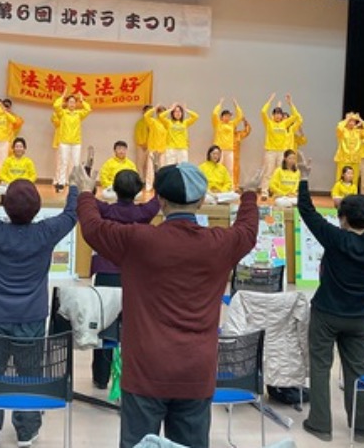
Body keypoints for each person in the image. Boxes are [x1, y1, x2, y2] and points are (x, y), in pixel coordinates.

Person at [73, 162, 260, 448]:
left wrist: (86, 192)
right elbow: (247, 230)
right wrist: (248, 193)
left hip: (145, 370)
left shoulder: (138, 239)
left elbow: (92, 228)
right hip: (196, 370)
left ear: (159, 200)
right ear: (200, 201)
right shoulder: (220, 243)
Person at [0, 174, 78, 448]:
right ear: (37, 207)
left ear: (4, 206)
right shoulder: (45, 233)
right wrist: (75, 188)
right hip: (32, 318)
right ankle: (26, 430)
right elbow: (72, 215)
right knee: (29, 373)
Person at [298, 154, 364, 443]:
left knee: (320, 365)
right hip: (358, 317)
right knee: (357, 370)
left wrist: (304, 177)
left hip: (326, 312)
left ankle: (320, 424)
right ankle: (361, 428)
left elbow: (307, 210)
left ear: (342, 218)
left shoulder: (335, 237)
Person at [90, 169, 161, 390]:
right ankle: (131, 375)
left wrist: (88, 185)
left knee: (104, 324)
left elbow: (86, 203)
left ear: (114, 189)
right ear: (139, 190)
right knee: (133, 326)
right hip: (135, 274)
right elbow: (159, 198)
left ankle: (101, 378)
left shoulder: (104, 210)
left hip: (105, 273)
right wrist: (157, 174)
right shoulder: (144, 213)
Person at [259, 92, 301, 200]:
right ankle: (264, 192)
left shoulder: (285, 123)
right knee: (268, 171)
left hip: (282, 152)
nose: (278, 115)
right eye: (276, 114)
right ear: (273, 115)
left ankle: (276, 192)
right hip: (271, 151)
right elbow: (263, 111)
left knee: (280, 172)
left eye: (279, 114)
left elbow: (296, 116)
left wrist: (290, 103)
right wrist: (270, 100)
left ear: (282, 116)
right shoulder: (269, 123)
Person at [53, 89, 92, 192]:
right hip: (64, 142)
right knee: (63, 162)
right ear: (67, 103)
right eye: (70, 102)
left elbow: (88, 109)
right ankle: (61, 183)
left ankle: (74, 183)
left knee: (76, 163)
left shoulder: (79, 114)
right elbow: (56, 106)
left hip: (76, 143)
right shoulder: (63, 113)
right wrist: (63, 96)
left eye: (74, 102)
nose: (72, 104)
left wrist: (82, 100)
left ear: (76, 104)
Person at [212, 97, 244, 181]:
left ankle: (230, 188)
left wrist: (236, 105)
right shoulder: (218, 123)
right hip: (220, 150)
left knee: (230, 169)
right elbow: (214, 113)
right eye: (226, 116)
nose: (228, 117)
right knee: (218, 168)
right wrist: (220, 104)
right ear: (222, 117)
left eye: (229, 116)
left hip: (229, 150)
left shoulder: (232, 124)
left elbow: (240, 116)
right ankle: (217, 185)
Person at [334, 112, 364, 188]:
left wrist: (360, 119)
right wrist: (347, 118)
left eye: (353, 121)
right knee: (340, 178)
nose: (351, 123)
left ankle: (352, 197)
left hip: (355, 159)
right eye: (350, 121)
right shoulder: (342, 131)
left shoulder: (358, 132)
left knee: (354, 179)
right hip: (343, 158)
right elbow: (339, 127)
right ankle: (340, 195)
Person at [0, 97, 20, 183]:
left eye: (1, 105)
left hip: (5, 142)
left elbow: (15, 121)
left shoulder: (7, 115)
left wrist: (5, 111)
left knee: (3, 162)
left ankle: (4, 179)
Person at [143, 105, 167, 192]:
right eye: (160, 112)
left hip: (163, 150)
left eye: (164, 112)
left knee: (163, 169)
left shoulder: (167, 124)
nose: (162, 114)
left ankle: (162, 186)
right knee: (150, 169)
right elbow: (146, 116)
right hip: (152, 149)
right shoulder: (153, 121)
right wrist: (154, 108)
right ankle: (149, 186)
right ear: (157, 113)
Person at [232, 117, 252, 185]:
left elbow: (247, 131)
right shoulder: (223, 133)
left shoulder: (238, 135)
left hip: (235, 158)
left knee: (236, 171)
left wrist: (245, 122)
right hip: (225, 156)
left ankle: (235, 186)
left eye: (235, 126)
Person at [134, 105, 151, 176]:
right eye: (147, 111)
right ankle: (141, 180)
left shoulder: (153, 123)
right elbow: (137, 135)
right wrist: (142, 144)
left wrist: (149, 144)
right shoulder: (139, 123)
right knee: (140, 164)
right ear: (143, 112)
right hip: (141, 147)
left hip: (150, 146)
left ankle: (148, 182)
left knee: (149, 165)